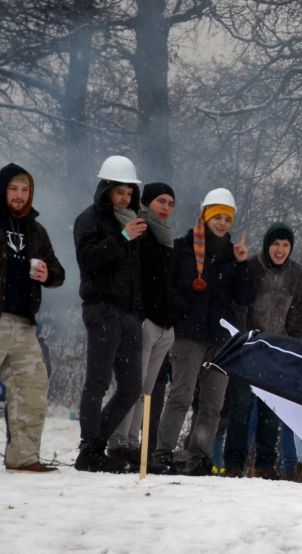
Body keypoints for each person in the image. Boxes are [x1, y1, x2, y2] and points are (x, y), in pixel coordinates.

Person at [156, 187, 254, 476]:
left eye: (227, 218)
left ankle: (198, 455)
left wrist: (243, 264)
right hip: (189, 334)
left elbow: (245, 297)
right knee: (182, 396)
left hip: (221, 338)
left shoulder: (232, 256)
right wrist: (183, 311)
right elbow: (169, 287)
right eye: (217, 217)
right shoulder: (184, 247)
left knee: (213, 403)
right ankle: (163, 452)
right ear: (205, 216)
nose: (222, 223)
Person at [72, 156, 148, 473]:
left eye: (129, 193)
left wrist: (139, 308)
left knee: (131, 387)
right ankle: (90, 448)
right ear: (105, 190)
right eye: (119, 192)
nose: (125, 199)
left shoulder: (132, 222)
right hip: (101, 308)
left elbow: (137, 273)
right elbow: (89, 259)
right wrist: (123, 237)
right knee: (98, 381)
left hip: (129, 313)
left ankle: (94, 445)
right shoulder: (89, 220)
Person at [218, 222, 302, 478]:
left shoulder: (297, 274)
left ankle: (266, 464)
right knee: (242, 406)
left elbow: (300, 314)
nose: (280, 250)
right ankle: (234, 463)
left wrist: (295, 347)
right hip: (249, 348)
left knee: (271, 410)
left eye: (285, 245)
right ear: (267, 245)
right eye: (275, 244)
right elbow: (242, 305)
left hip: (278, 351)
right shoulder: (253, 267)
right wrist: (245, 339)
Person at [0, 163, 66, 472]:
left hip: (24, 323)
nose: (19, 195)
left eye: (24, 189)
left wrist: (46, 274)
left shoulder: (36, 230)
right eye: (13, 188)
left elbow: (58, 273)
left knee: (32, 387)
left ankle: (23, 458)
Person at [106, 182, 177, 466]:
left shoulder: (166, 237)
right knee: (130, 384)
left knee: (146, 389)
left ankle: (131, 441)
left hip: (165, 323)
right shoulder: (140, 231)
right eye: (161, 201)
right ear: (147, 203)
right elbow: (136, 276)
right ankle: (116, 439)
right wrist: (142, 313)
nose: (166, 208)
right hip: (144, 319)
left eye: (171, 203)